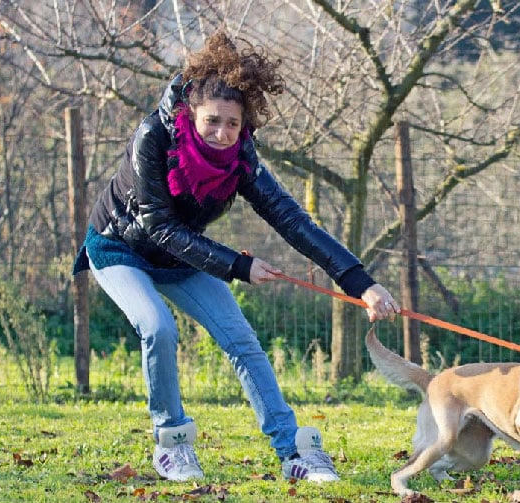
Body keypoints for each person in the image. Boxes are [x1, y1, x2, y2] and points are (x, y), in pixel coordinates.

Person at [72, 30, 399, 483]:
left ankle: (293, 452)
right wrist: (238, 265)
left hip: (179, 256)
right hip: (120, 246)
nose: (223, 133)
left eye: (233, 123)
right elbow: (157, 226)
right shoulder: (154, 137)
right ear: (192, 113)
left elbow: (292, 220)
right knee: (158, 328)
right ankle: (172, 444)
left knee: (240, 340)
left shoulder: (241, 156)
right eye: (213, 121)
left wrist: (360, 283)